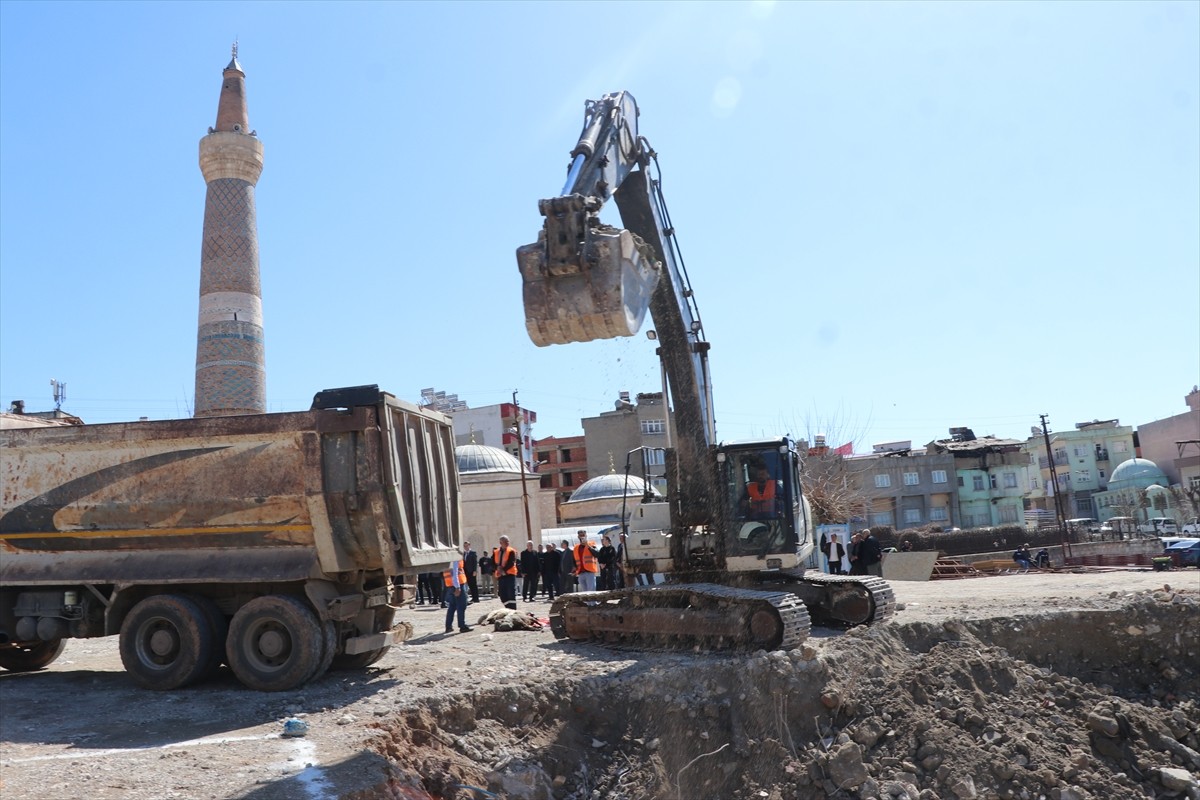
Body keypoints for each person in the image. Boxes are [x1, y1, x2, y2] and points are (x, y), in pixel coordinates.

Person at [442, 554, 472, 633]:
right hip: (457, 585)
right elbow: (455, 572)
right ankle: (462, 626)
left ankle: (448, 626)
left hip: (450, 585)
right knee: (461, 606)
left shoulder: (446, 558)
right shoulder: (455, 557)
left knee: (452, 606)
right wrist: (457, 587)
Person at [493, 535, 519, 609]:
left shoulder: (511, 551)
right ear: (500, 542)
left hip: (510, 575)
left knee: (511, 594)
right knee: (502, 595)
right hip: (501, 576)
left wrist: (503, 570)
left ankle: (513, 610)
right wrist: (497, 568)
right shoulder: (496, 552)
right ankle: (508, 608)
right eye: (505, 541)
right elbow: (492, 563)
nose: (507, 543)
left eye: (508, 541)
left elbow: (511, 562)